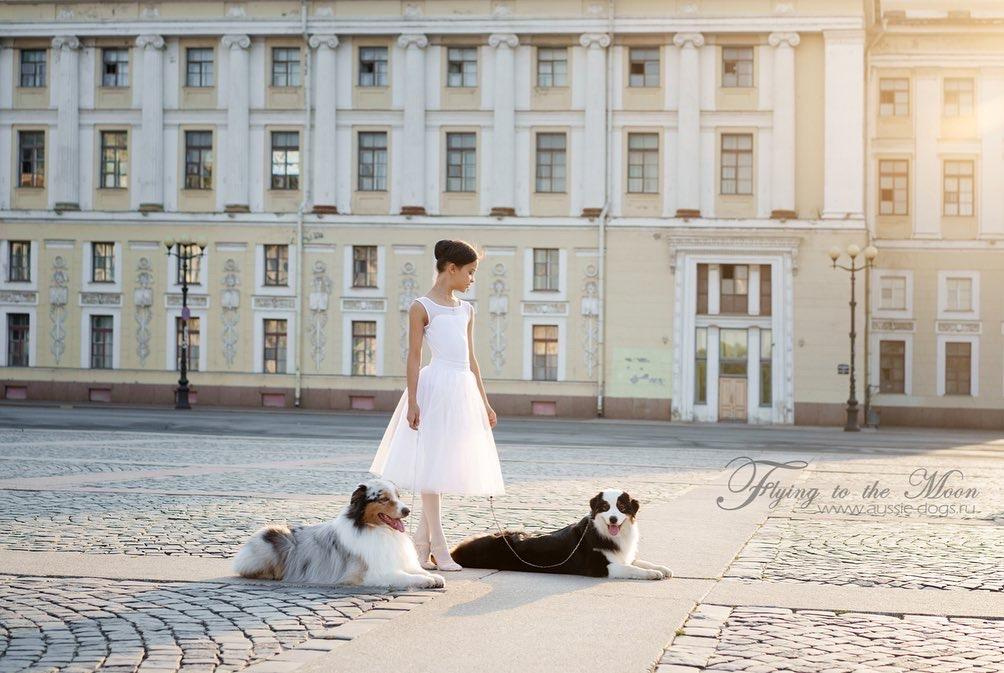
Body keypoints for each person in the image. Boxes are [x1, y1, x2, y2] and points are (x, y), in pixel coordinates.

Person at [369, 239, 505, 571]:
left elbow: (472, 360)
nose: (472, 279)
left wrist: (485, 403)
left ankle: (419, 548)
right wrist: (413, 401)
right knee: (432, 468)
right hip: (434, 388)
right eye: (470, 272)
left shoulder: (466, 310)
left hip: (462, 391)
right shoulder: (421, 307)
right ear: (451, 269)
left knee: (442, 469)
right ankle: (440, 548)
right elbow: (414, 358)